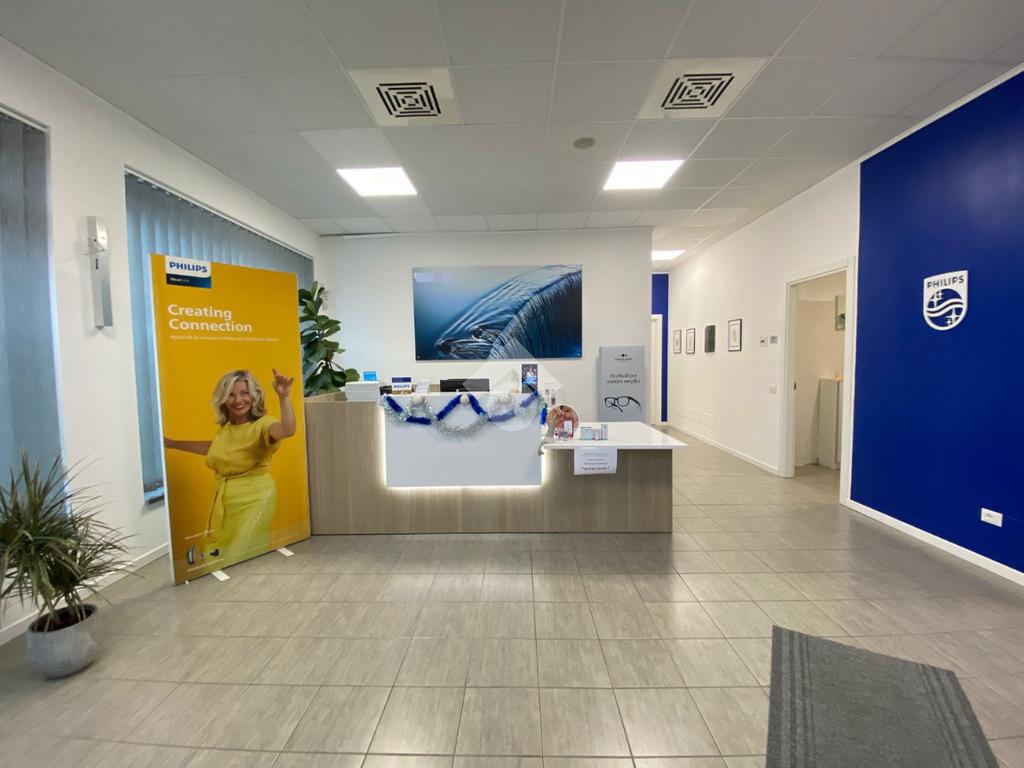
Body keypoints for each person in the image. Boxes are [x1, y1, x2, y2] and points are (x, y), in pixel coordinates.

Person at [163, 368, 295, 569]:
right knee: (220, 556)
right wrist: (171, 443)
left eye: (244, 393)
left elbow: (287, 430)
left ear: (254, 395)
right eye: (231, 394)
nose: (238, 400)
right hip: (225, 501)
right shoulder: (227, 428)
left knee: (239, 556)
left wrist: (284, 397)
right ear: (223, 398)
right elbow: (215, 449)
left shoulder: (264, 425)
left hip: (255, 499)